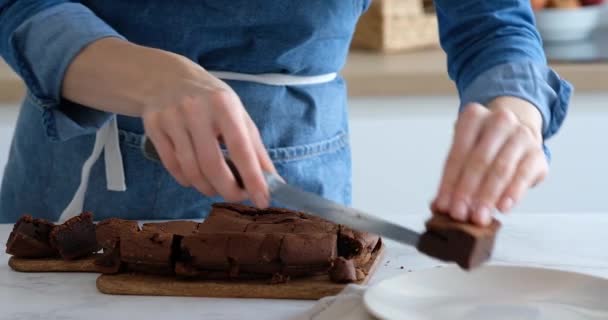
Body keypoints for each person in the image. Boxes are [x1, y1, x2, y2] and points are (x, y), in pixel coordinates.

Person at [0, 1, 571, 226]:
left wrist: (515, 108)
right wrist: (151, 79)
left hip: (297, 196)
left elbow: (491, 21)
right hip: (73, 199)